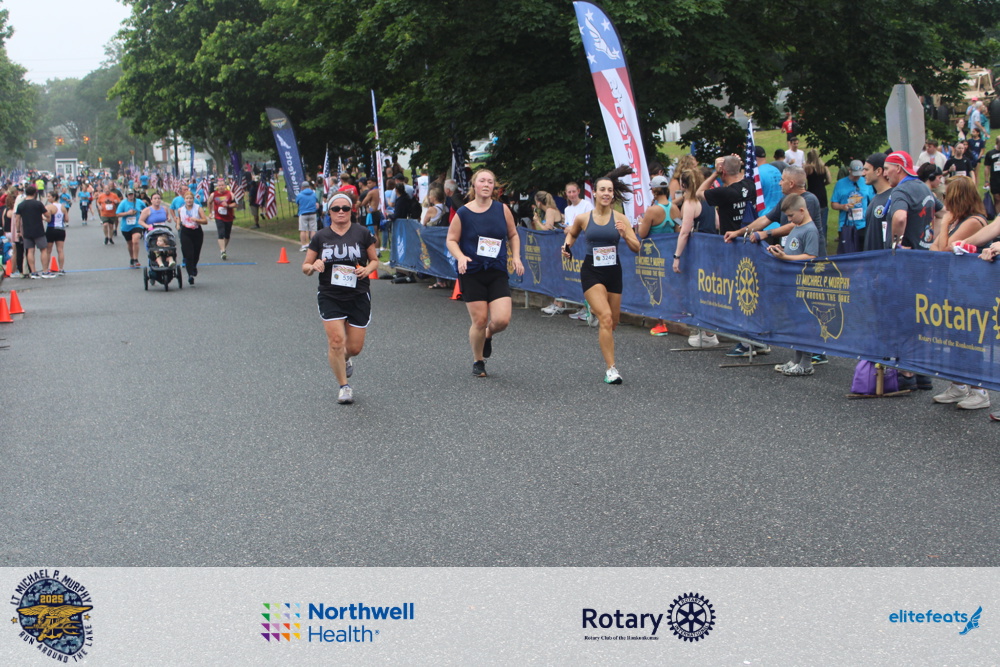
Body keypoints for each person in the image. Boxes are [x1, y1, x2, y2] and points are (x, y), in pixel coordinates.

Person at [561, 167, 641, 384]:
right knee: (605, 317)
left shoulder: (621, 219)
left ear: (613, 194)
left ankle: (594, 309)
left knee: (612, 323)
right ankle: (611, 369)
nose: (606, 193)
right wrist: (566, 247)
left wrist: (625, 235)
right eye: (602, 190)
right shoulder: (583, 218)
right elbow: (572, 235)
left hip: (613, 271)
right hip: (592, 271)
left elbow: (637, 247)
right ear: (594, 193)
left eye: (610, 190)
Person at [302, 192, 380, 404]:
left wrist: (367, 269)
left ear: (351, 210)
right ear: (329, 212)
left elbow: (374, 260)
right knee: (336, 342)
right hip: (330, 295)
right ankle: (344, 386)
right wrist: (313, 266)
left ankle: (345, 358)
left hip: (358, 294)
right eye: (336, 209)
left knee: (354, 348)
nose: (341, 212)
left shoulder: (362, 233)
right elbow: (305, 267)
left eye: (345, 208)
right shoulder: (321, 237)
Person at [445, 169, 524, 378]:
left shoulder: (502, 209)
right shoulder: (464, 213)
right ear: (475, 185)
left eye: (490, 181)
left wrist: (516, 257)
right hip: (472, 271)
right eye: (482, 181)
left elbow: (513, 234)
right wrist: (460, 256)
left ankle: (488, 334)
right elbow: (451, 239)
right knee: (479, 320)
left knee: (502, 320)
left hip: (496, 270)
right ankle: (478, 360)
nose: (487, 184)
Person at [768, 195, 821, 376]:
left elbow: (811, 256)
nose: (789, 220)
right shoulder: (797, 227)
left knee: (804, 323)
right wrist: (781, 251)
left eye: (791, 216)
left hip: (803, 283)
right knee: (796, 322)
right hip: (793, 283)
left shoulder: (810, 230)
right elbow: (795, 250)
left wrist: (786, 257)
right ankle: (796, 360)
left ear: (802, 210)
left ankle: (806, 362)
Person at [672, 167, 719, 348]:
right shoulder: (708, 200)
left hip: (700, 252)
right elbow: (717, 223)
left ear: (683, 185)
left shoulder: (690, 203)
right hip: (712, 249)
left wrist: (677, 256)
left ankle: (705, 333)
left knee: (699, 291)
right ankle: (709, 332)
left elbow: (684, 232)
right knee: (709, 291)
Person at [543, 181, 594, 318]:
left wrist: (573, 228)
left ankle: (587, 308)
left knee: (586, 277)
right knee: (572, 276)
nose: (571, 195)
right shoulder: (567, 209)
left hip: (584, 245)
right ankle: (571, 304)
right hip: (573, 246)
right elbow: (568, 226)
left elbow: (589, 224)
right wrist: (567, 228)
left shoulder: (587, 205)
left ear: (578, 191)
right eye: (569, 192)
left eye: (573, 191)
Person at [636, 174, 677, 336]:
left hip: (654, 255)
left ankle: (661, 323)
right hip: (670, 253)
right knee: (668, 287)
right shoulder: (674, 208)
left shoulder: (652, 210)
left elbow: (642, 233)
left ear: (653, 190)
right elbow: (678, 230)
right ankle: (668, 319)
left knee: (656, 287)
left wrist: (641, 222)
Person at [830, 160, 875, 253]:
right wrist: (842, 207)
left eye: (859, 174)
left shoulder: (866, 183)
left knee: (863, 252)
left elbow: (873, 201)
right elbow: (833, 204)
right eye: (855, 174)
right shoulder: (840, 184)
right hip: (846, 225)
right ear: (849, 170)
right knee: (847, 252)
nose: (856, 177)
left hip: (863, 225)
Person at [13, 184, 51, 279]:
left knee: (30, 251)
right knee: (43, 250)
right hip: (38, 229)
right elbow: (47, 214)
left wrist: (18, 231)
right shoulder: (38, 204)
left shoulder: (21, 205)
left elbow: (17, 219)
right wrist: (45, 217)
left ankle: (33, 272)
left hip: (27, 230)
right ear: (35, 193)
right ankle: (45, 271)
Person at [861, 153, 893, 251]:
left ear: (878, 171)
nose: (863, 174)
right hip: (871, 258)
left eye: (866, 170)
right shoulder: (875, 198)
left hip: (883, 258)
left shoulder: (893, 198)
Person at [175, 191, 207, 285]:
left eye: (190, 198)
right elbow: (179, 218)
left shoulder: (198, 208)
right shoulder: (181, 209)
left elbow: (205, 221)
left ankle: (194, 266)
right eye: (187, 198)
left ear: (193, 199)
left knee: (196, 253)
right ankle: (190, 275)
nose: (189, 200)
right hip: (186, 231)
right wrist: (178, 225)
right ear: (184, 200)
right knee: (188, 254)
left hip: (197, 231)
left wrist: (197, 220)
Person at [803, 150, 831, 244]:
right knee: (823, 222)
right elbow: (829, 180)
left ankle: (812, 242)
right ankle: (823, 242)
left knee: (811, 221)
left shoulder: (808, 168)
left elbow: (803, 181)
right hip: (823, 195)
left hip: (812, 194)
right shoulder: (823, 167)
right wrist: (822, 184)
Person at [116, 190, 145, 268]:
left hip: (137, 224)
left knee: (135, 240)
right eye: (129, 194)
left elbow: (146, 209)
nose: (131, 196)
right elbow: (117, 214)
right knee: (130, 243)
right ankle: (132, 258)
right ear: (126, 195)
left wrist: (143, 214)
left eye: (132, 194)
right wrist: (127, 213)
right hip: (126, 226)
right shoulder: (123, 203)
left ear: (134, 194)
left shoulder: (139, 202)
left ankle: (136, 259)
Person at [209, 179, 236, 260]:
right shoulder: (213, 194)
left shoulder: (230, 194)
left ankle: (222, 249)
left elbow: (235, 204)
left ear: (225, 186)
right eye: (219, 185)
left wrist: (228, 205)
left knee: (227, 235)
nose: (221, 187)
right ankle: (223, 251)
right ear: (217, 186)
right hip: (218, 216)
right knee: (221, 233)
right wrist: (210, 212)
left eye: (222, 185)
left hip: (228, 217)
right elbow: (209, 202)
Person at [42, 191, 67, 276]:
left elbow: (48, 219)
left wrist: (43, 218)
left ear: (54, 197)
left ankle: (46, 269)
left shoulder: (49, 207)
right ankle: (61, 269)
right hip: (61, 229)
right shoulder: (63, 207)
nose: (48, 198)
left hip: (51, 228)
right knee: (60, 250)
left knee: (48, 250)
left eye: (49, 196)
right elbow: (67, 219)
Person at [296, 181, 319, 251]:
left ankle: (303, 245)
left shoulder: (300, 195)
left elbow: (297, 202)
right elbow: (316, 201)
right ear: (309, 186)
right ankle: (313, 244)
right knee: (313, 230)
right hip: (313, 213)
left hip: (303, 213)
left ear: (302, 187)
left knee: (303, 230)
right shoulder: (313, 193)